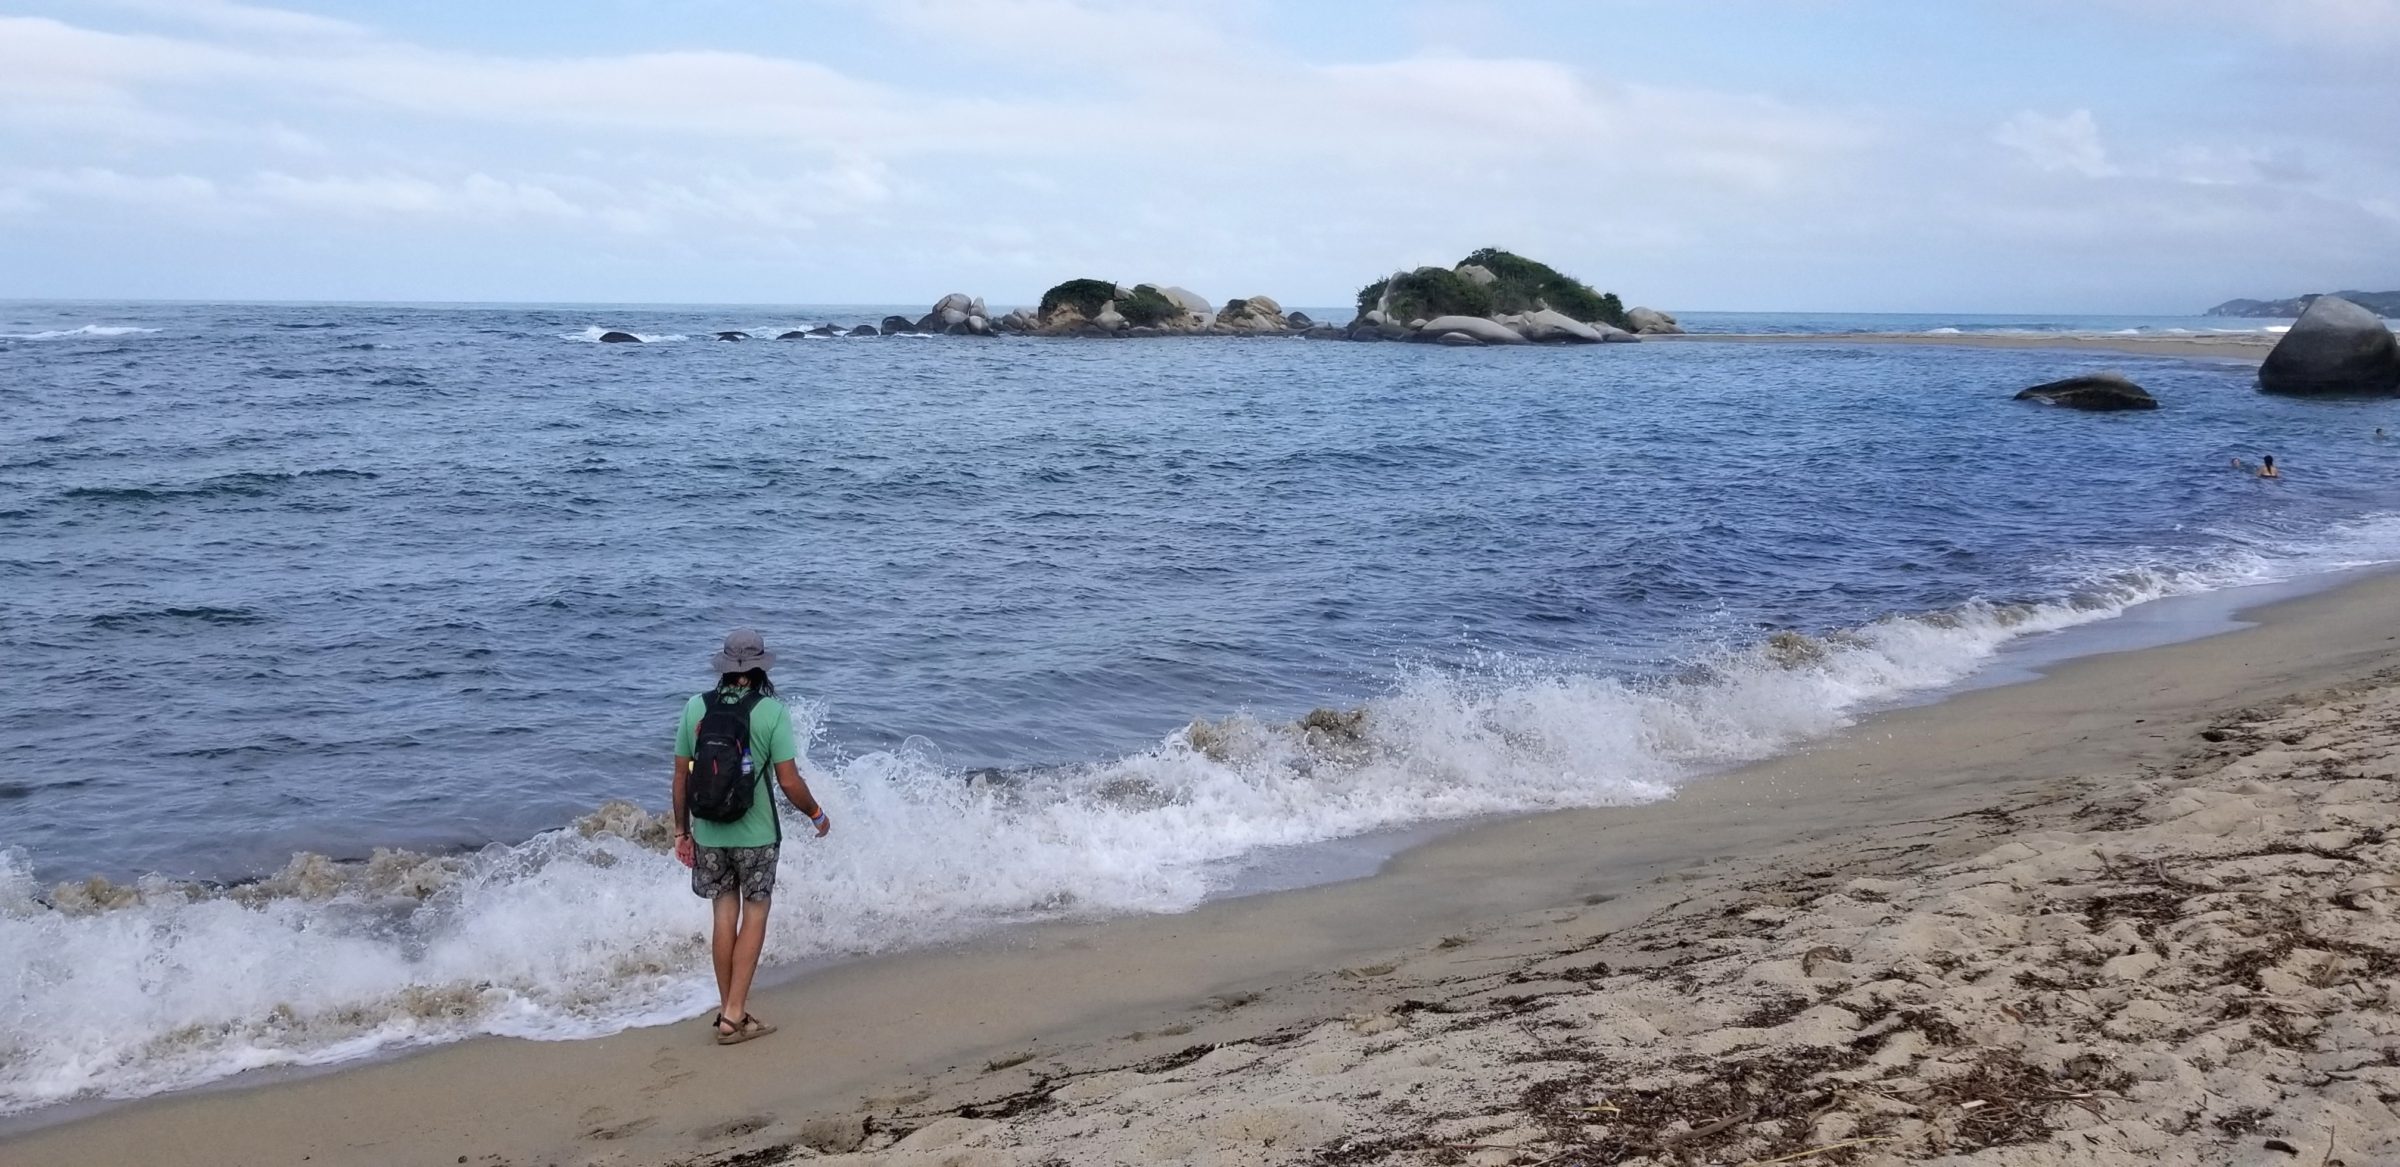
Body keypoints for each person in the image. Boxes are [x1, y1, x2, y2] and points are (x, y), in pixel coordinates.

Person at [671, 629, 831, 1046]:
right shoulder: (771, 712)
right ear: (760, 667)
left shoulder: (695, 708)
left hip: (708, 832)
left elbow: (679, 776)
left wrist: (681, 832)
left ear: (724, 666)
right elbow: (789, 781)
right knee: (755, 915)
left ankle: (731, 1011)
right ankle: (733, 1014)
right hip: (756, 835)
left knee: (724, 916)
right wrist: (816, 813)